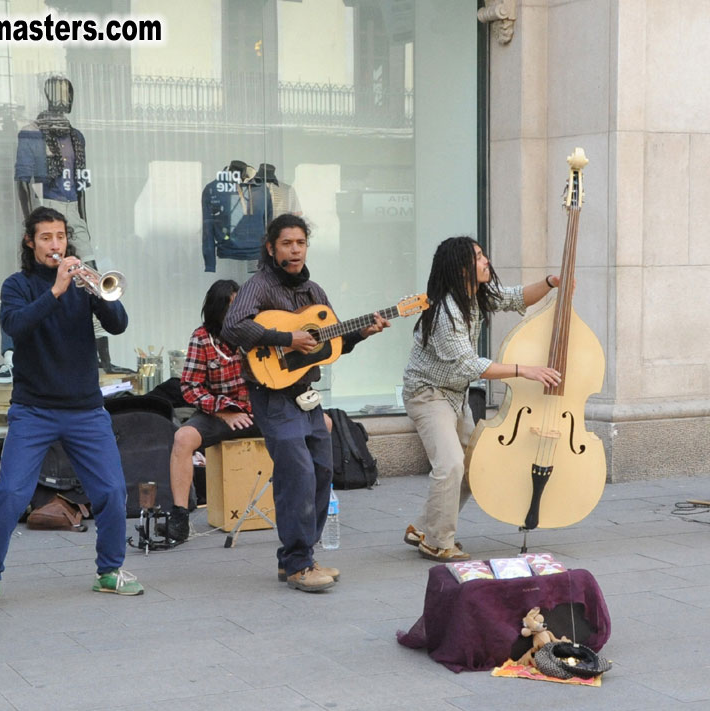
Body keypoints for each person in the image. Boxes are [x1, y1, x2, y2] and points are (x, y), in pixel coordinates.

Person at [0, 206, 141, 612]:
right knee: (11, 492)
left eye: (60, 237)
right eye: (46, 238)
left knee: (112, 491)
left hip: (85, 409)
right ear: (31, 242)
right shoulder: (17, 285)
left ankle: (109, 572)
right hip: (34, 409)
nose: (55, 245)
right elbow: (17, 326)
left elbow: (118, 325)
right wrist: (57, 290)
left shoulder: (83, 284)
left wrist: (96, 286)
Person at [220, 214, 388, 592]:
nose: (295, 250)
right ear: (271, 248)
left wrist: (362, 332)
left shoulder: (314, 292)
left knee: (323, 470)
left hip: (307, 395)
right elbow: (233, 325)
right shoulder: (259, 285)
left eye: (300, 243)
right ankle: (299, 563)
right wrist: (285, 337)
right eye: (286, 244)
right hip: (272, 393)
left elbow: (330, 346)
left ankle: (299, 558)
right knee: (297, 473)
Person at [401, 237, 562, 561]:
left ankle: (422, 528)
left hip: (454, 395)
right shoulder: (447, 311)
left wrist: (549, 283)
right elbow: (468, 365)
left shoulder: (473, 297)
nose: (485, 260)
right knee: (450, 465)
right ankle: (437, 542)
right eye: (477, 257)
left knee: (475, 465)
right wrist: (523, 370)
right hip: (428, 396)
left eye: (482, 254)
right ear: (461, 269)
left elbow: (515, 297)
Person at [166, 279, 262, 542]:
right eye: (230, 308)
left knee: (320, 424)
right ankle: (180, 516)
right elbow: (190, 387)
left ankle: (311, 509)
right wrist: (223, 410)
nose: (237, 314)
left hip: (261, 410)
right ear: (216, 310)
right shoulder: (202, 338)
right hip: (220, 413)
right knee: (183, 438)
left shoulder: (258, 332)